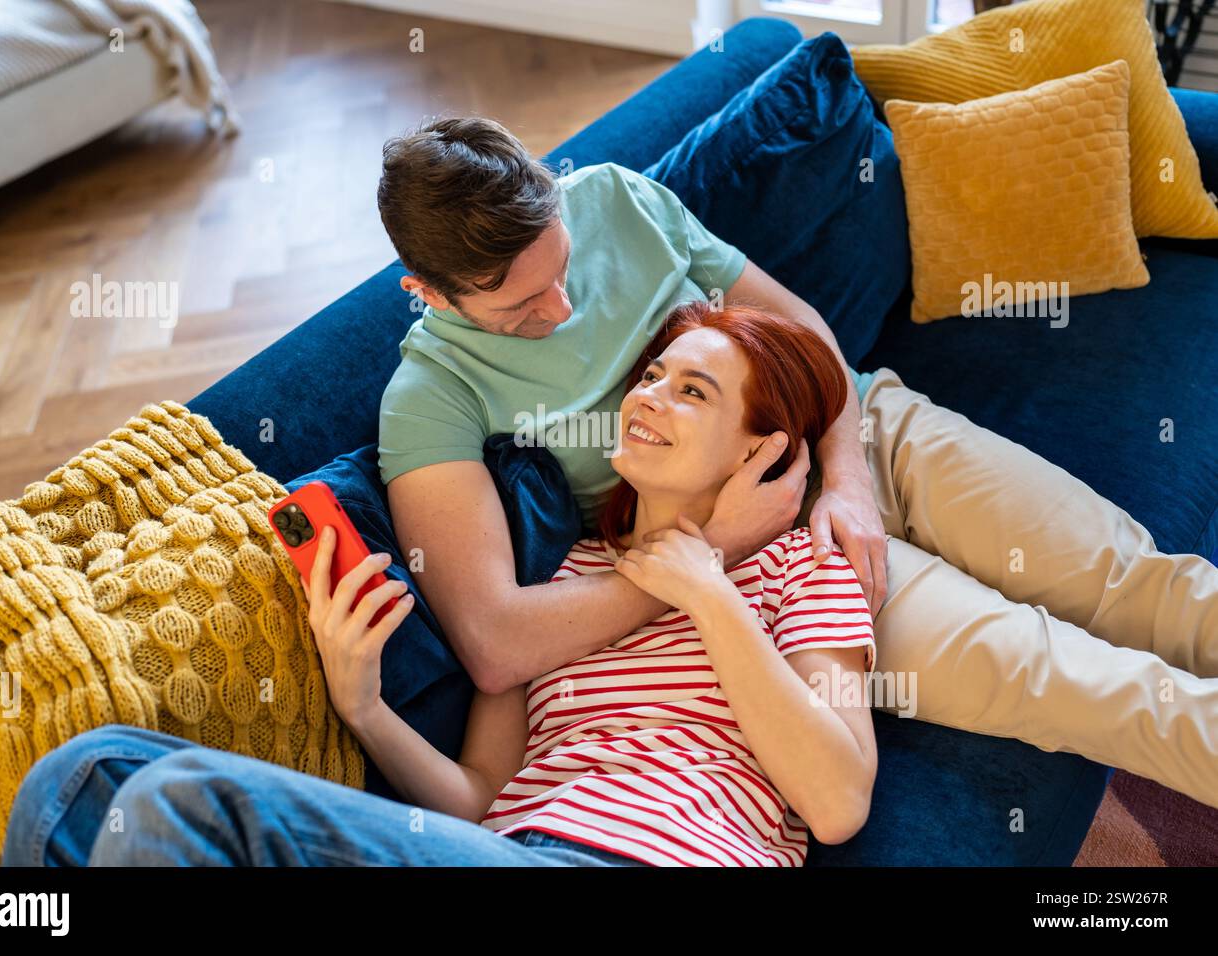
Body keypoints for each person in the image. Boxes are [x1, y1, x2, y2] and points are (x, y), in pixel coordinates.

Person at [372, 116, 1218, 808]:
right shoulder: (429, 398)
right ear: (430, 291)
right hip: (770, 573)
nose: (561, 306)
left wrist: (845, 480)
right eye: (521, 305)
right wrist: (715, 549)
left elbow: (799, 323)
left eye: (560, 266)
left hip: (856, 424)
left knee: (1139, 581)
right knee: (1083, 683)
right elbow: (492, 642)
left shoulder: (615, 198)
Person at [2, 302, 875, 866]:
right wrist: (364, 706)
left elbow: (835, 803)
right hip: (501, 849)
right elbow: (478, 798)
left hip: (655, 856)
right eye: (651, 376)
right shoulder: (562, 579)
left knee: (174, 804)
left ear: (765, 451)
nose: (647, 398)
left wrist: (710, 589)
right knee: (80, 779)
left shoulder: (798, 574)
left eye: (693, 392)